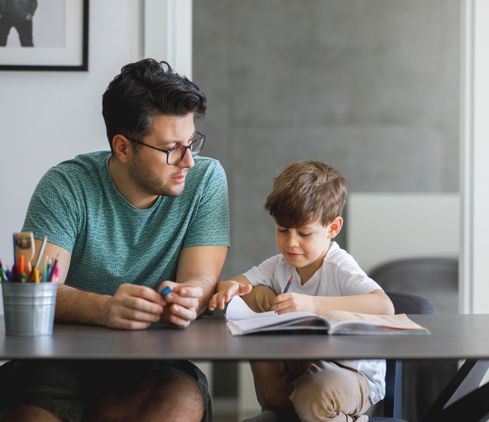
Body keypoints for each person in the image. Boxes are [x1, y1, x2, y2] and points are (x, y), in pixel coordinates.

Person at [0, 58, 230, 422]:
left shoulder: (206, 180)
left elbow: (201, 280)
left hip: (157, 361)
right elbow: (40, 291)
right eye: (172, 149)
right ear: (123, 148)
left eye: (192, 143)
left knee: (181, 403)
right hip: (63, 359)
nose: (187, 161)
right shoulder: (65, 186)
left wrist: (192, 297)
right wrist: (105, 309)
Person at [209, 161, 394, 422]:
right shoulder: (278, 265)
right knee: (256, 296)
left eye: (304, 233)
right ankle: (279, 408)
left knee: (312, 394)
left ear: (333, 228)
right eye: (282, 230)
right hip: (305, 365)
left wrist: (313, 305)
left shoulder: (339, 266)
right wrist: (227, 288)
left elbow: (384, 306)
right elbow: (241, 285)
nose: (291, 242)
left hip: (350, 374)